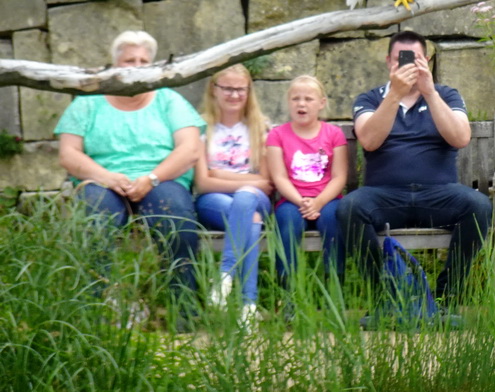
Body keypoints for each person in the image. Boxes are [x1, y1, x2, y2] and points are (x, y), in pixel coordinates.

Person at [56, 30, 204, 326]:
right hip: (103, 182)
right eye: (129, 61)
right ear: (115, 66)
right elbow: (69, 154)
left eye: (143, 60)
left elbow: (190, 149)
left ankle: (184, 313)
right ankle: (94, 315)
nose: (136, 66)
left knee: (178, 221)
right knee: (95, 223)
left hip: (161, 180)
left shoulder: (168, 100)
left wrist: (152, 178)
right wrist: (106, 177)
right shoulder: (88, 102)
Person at [336, 30, 491, 312]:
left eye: (415, 59)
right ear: (388, 62)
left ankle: (446, 298)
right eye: (401, 60)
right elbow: (369, 140)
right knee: (349, 208)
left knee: (479, 206)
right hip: (385, 196)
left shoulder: (446, 95)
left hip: (438, 194)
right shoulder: (370, 99)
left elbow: (460, 138)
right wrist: (394, 95)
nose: (408, 66)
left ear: (428, 61)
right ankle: (383, 297)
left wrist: (429, 92)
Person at [194, 64, 273, 327]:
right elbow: (203, 183)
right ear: (213, 89)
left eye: (241, 89)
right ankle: (248, 305)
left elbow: (268, 183)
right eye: (227, 88)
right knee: (249, 217)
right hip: (212, 203)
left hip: (254, 199)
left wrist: (220, 176)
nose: (234, 94)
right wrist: (244, 182)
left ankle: (226, 273)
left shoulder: (260, 128)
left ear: (249, 91)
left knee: (247, 198)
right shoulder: (200, 128)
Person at [266, 75, 348, 294]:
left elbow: (339, 177)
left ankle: (334, 289)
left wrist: (318, 202)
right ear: (288, 102)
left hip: (327, 199)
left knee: (334, 221)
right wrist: (301, 201)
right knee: (287, 224)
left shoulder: (334, 134)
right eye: (295, 99)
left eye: (308, 99)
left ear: (321, 103)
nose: (301, 104)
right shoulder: (277, 135)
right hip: (292, 200)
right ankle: (287, 294)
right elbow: (279, 177)